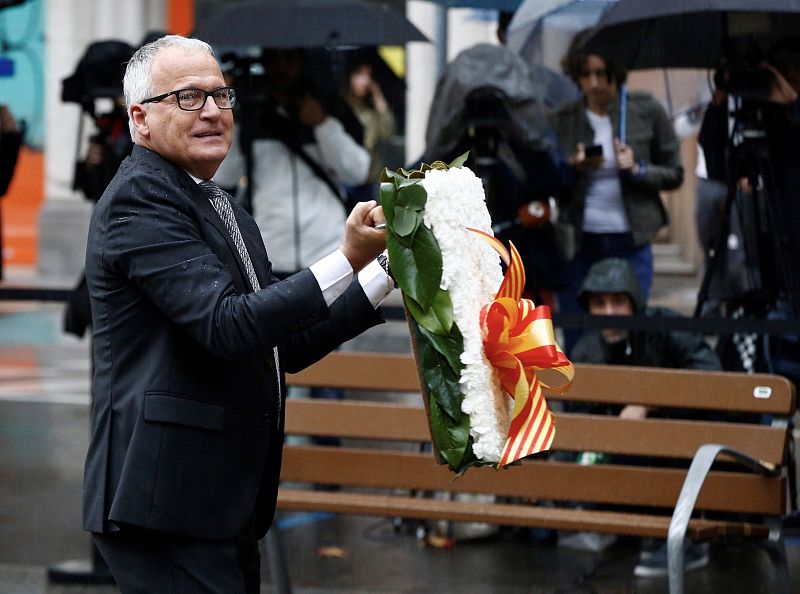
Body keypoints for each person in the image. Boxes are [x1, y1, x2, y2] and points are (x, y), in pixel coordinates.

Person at [82, 35, 393, 593]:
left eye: (221, 95)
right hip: (164, 502)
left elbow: (279, 342)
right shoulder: (140, 198)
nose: (211, 111)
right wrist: (347, 257)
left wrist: (387, 271)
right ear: (140, 118)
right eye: (188, 97)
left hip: (219, 499)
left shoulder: (219, 202)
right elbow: (228, 326)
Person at [570, 257, 720, 577]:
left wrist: (649, 403)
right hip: (624, 458)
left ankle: (684, 542)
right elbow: (581, 422)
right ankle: (631, 531)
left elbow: (711, 378)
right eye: (599, 303)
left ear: (634, 304)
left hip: (687, 452)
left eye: (618, 302)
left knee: (667, 437)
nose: (609, 313)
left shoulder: (663, 328)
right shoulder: (586, 350)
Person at [549, 42, 684, 352]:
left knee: (630, 332)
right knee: (578, 335)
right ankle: (582, 386)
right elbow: (548, 180)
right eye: (586, 75)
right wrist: (573, 167)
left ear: (615, 72)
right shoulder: (564, 118)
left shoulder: (644, 110)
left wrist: (639, 169)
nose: (594, 83)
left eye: (601, 73)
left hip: (630, 240)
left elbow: (675, 173)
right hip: (580, 242)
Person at [215, 48, 370, 276]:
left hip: (328, 251)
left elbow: (358, 172)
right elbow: (224, 177)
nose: (282, 68)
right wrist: (234, 123)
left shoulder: (329, 106)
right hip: (271, 255)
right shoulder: (250, 115)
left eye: (289, 59)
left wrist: (322, 124)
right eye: (274, 59)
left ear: (303, 62)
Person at [343, 59, 396, 201]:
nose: (365, 81)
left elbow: (388, 132)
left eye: (368, 75)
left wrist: (378, 98)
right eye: (359, 74)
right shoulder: (341, 108)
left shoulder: (370, 112)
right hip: (345, 177)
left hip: (368, 178)